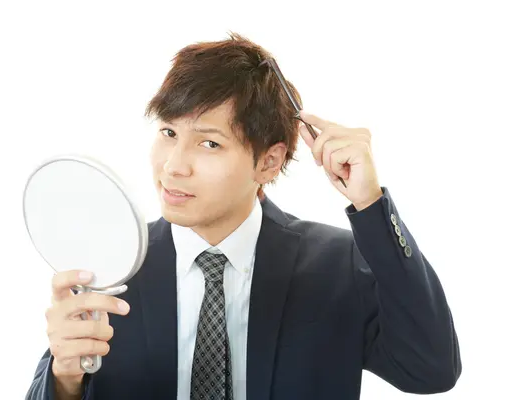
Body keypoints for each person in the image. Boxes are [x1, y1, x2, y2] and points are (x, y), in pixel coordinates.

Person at [25, 33, 462, 400]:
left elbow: (431, 371)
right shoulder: (111, 266)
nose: (174, 166)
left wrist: (370, 205)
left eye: (209, 143)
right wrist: (65, 374)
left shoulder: (339, 265)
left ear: (268, 163)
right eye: (168, 133)